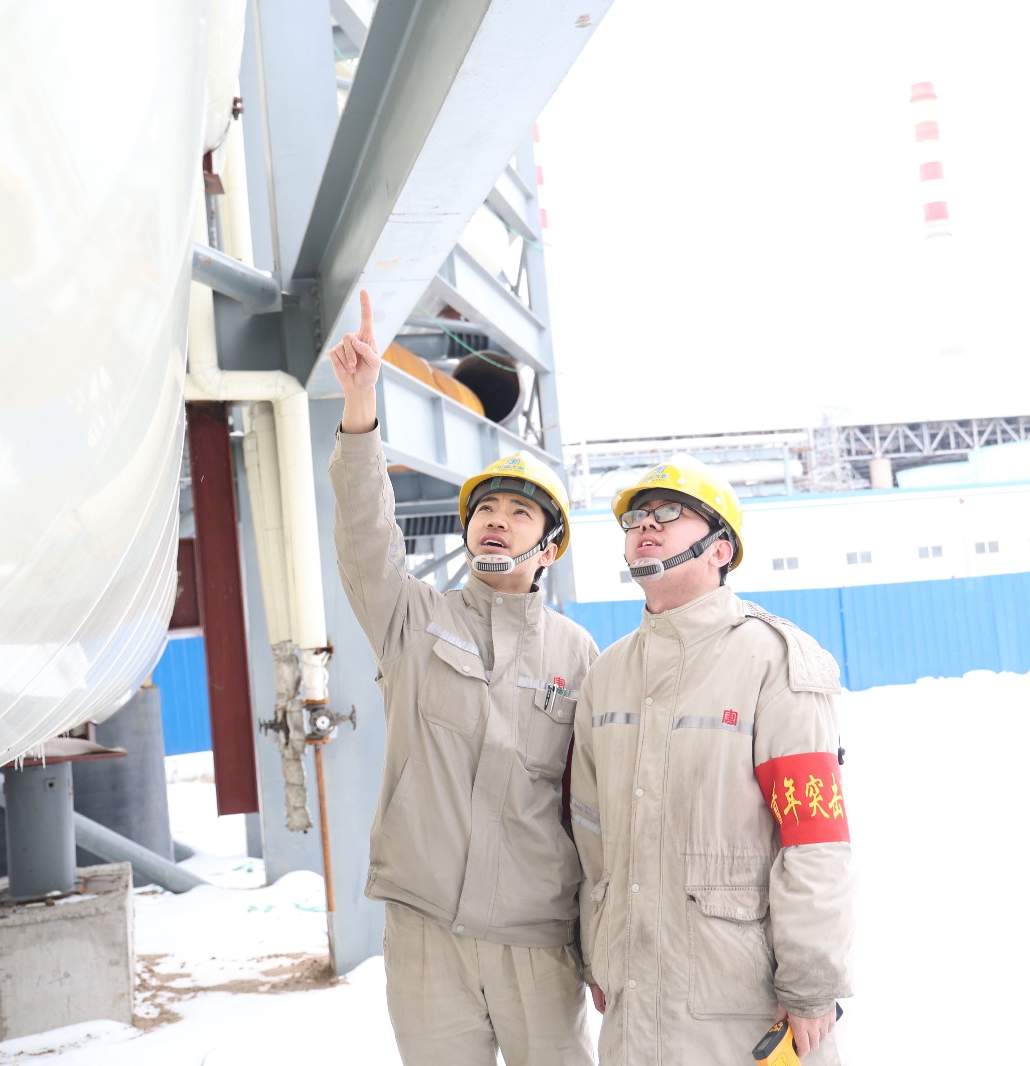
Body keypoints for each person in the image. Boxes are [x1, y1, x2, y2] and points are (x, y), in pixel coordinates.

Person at [326, 291, 598, 1066]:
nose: (497, 520)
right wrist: (360, 408)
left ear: (549, 548)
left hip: (537, 941)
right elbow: (366, 537)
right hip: (427, 935)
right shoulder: (413, 620)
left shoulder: (579, 655)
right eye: (487, 510)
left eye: (520, 513)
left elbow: (597, 806)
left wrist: (603, 938)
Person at [569, 454, 855, 1065]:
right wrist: (600, 949)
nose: (646, 525)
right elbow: (589, 833)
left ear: (720, 549)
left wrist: (811, 982)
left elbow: (814, 839)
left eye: (670, 512)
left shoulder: (774, 661)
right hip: (634, 998)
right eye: (635, 518)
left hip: (742, 1003)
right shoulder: (608, 674)